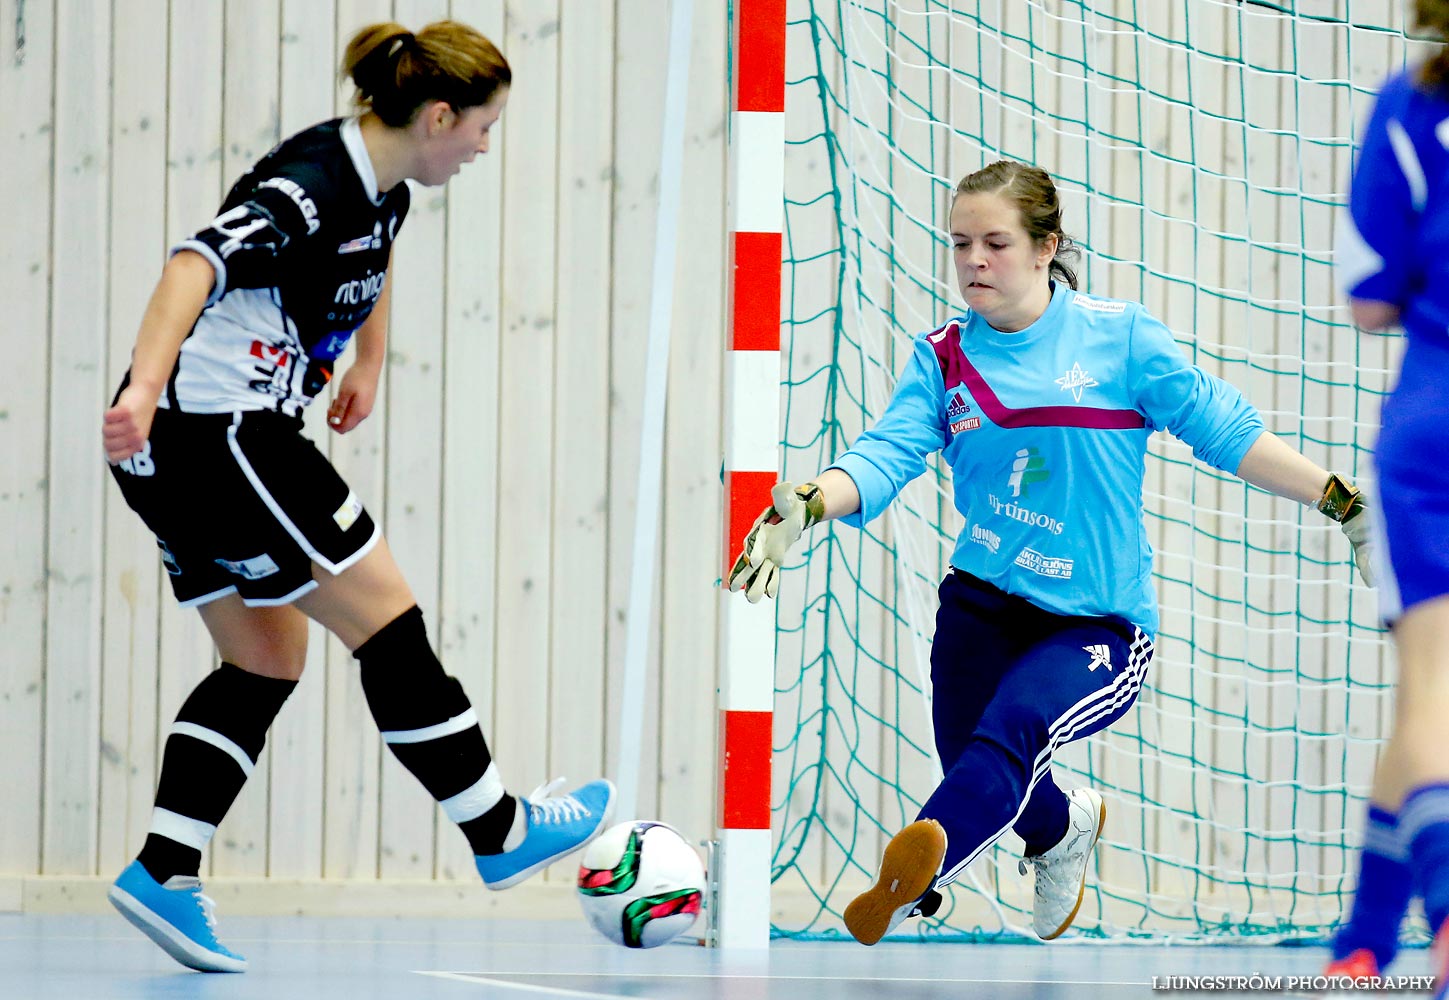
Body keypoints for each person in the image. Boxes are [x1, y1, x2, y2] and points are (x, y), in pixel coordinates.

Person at [727, 159, 1374, 947]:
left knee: (1015, 729)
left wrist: (1342, 504)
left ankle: (910, 879)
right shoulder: (942, 357)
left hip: (1094, 623)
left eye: (994, 243)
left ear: (1045, 248)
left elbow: (1225, 430)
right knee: (978, 756)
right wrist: (811, 503)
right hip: (980, 604)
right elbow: (886, 451)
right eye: (959, 243)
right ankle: (1059, 832)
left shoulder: (1120, 339)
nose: (973, 261)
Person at [101, 21, 613, 974]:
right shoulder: (313, 184)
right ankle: (497, 827)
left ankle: (162, 873)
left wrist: (366, 360)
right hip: (219, 432)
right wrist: (139, 389)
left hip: (189, 448)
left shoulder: (381, 186)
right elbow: (193, 265)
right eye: (482, 129)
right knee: (387, 617)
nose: (482, 149)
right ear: (438, 115)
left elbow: (369, 263)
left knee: (263, 658)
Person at [1323, 1, 1449, 992]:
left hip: (1431, 423)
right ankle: (1391, 929)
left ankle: (1368, 940)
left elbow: (1370, 299)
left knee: (1429, 693)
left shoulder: (1413, 103)